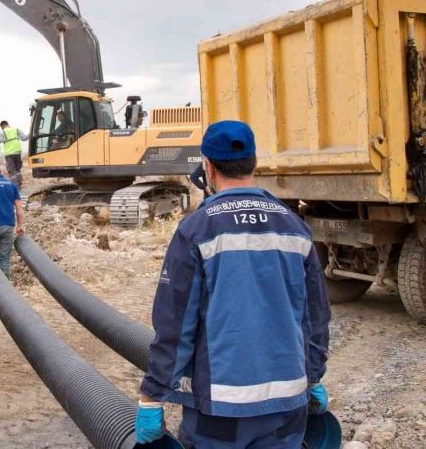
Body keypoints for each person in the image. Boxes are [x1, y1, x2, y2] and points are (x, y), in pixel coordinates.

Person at [135, 120, 331, 448]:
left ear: (208, 167)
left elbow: (175, 324)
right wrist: (312, 377)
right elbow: (315, 317)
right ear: (254, 163)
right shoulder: (294, 227)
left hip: (221, 412)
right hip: (288, 407)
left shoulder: (196, 230)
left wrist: (152, 396)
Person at [0, 120, 29, 188]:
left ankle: (14, 186)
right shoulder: (16, 129)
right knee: (18, 169)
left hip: (9, 154)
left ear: (2, 126)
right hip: (18, 152)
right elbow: (24, 138)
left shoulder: (3, 132)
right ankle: (19, 184)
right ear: (8, 124)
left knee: (12, 171)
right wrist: (31, 132)